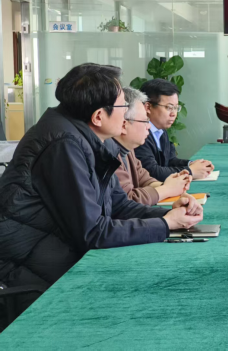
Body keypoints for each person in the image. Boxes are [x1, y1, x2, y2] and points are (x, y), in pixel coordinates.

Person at [0, 64, 204, 297]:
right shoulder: (64, 145)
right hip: (27, 273)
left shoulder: (88, 138)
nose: (127, 114)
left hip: (55, 256)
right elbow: (93, 232)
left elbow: (118, 205)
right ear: (98, 116)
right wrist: (165, 225)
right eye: (122, 106)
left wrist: (169, 214)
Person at [113, 87, 192, 206]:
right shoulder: (109, 153)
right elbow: (127, 200)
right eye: (145, 121)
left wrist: (171, 184)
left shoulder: (128, 149)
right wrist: (167, 189)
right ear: (124, 125)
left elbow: (143, 178)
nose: (149, 126)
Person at [135, 79, 214, 182]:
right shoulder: (138, 133)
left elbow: (169, 161)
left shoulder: (161, 130)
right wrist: (190, 171)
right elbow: (152, 172)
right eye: (169, 107)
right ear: (148, 107)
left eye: (176, 108)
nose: (173, 114)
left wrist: (191, 164)